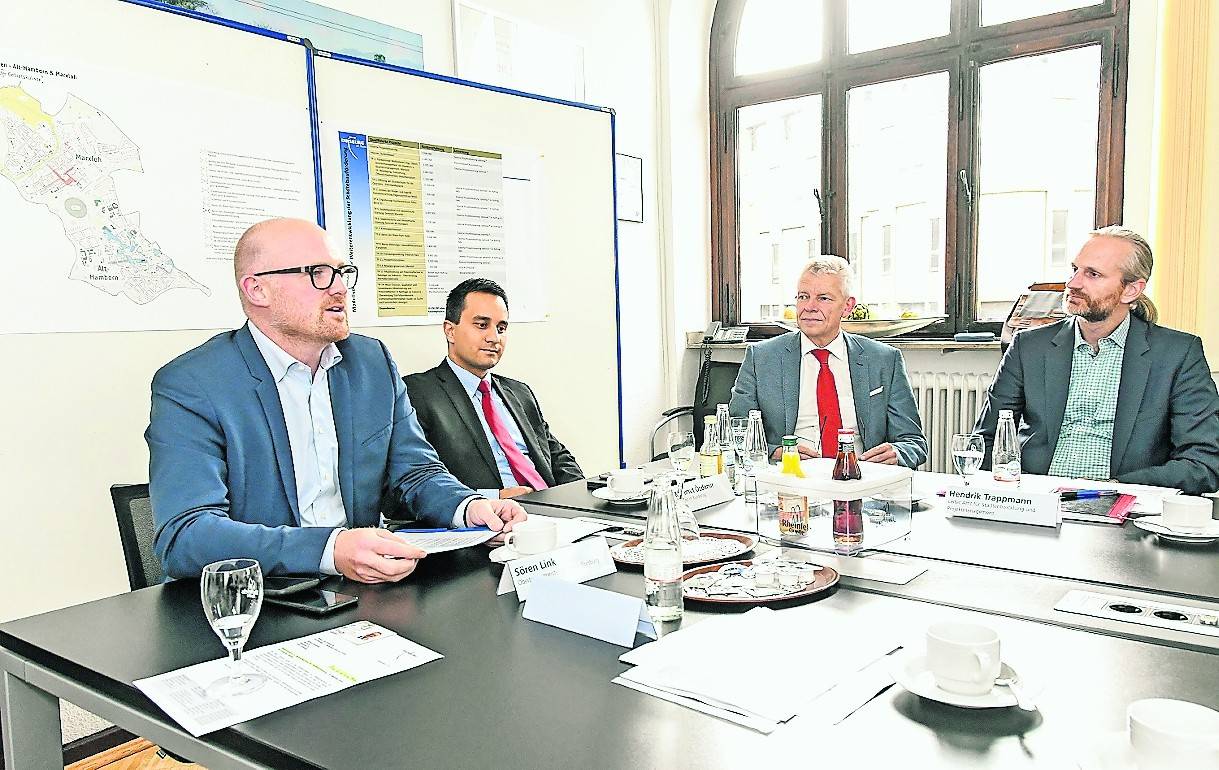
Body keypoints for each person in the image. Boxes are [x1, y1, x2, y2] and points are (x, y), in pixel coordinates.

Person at [146, 218, 526, 582]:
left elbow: (415, 472)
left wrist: (469, 508)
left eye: (342, 273)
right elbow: (185, 535)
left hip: (365, 590)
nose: (341, 289)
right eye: (317, 273)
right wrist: (330, 549)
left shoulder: (370, 362)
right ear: (256, 289)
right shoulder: (193, 384)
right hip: (258, 600)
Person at [975, 226, 1219, 494]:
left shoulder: (1178, 354)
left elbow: (1202, 463)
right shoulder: (1029, 346)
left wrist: (1115, 489)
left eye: (1093, 274)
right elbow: (986, 440)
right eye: (1074, 270)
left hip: (1124, 506)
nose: (1073, 284)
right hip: (1036, 502)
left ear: (1131, 290)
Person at [729, 256, 927, 468]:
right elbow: (734, 435)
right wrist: (776, 452)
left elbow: (913, 443)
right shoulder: (761, 358)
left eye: (823, 298)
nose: (809, 307)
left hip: (861, 482)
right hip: (791, 482)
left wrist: (896, 453)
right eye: (803, 296)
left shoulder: (884, 360)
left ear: (848, 306)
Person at [404, 278, 583, 498]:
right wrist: (492, 498)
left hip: (550, 511)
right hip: (488, 519)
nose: (494, 337)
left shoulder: (519, 392)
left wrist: (579, 498)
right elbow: (412, 482)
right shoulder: (417, 393)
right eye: (481, 325)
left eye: (501, 328)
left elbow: (557, 456)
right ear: (450, 331)